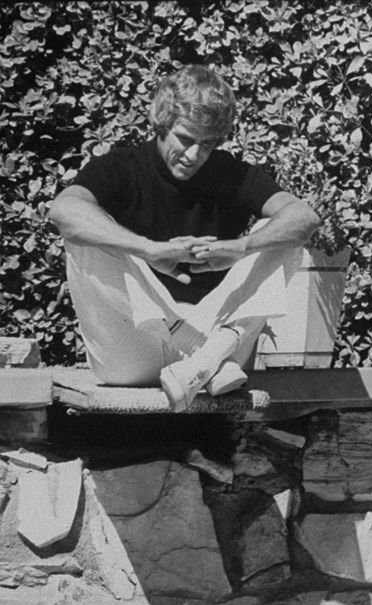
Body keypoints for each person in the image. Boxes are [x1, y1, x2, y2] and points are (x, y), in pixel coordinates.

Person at [48, 65, 321, 412]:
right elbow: (62, 212)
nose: (194, 156)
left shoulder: (229, 173)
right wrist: (148, 250)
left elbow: (305, 218)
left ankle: (204, 360)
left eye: (207, 145)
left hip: (216, 336)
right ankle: (207, 360)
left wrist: (240, 248)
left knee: (281, 238)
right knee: (87, 232)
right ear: (162, 124)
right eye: (186, 139)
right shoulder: (122, 166)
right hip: (135, 350)